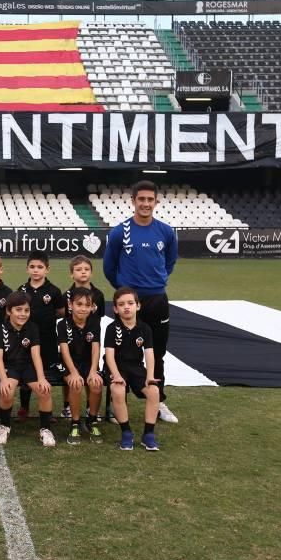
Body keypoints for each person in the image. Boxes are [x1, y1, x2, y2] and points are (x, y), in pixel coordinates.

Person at [102, 179, 179, 425]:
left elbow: (170, 261)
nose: (145, 203)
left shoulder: (166, 231)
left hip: (157, 299)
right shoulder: (119, 231)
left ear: (156, 202)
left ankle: (158, 401)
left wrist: (158, 281)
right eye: (141, 199)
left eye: (150, 199)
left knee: (157, 352)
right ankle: (116, 403)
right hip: (128, 302)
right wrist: (125, 293)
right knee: (122, 353)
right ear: (133, 201)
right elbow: (108, 267)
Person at [0, 291, 55, 447]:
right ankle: (5, 426)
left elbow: (36, 355)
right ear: (9, 311)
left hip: (27, 367)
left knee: (45, 390)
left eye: (26, 310)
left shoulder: (32, 328)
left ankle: (45, 429)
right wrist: (3, 379)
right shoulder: (0, 329)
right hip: (9, 367)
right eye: (18, 310)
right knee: (7, 390)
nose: (23, 314)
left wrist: (41, 378)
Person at [103, 287, 161, 451]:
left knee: (154, 391)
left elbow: (149, 354)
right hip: (116, 367)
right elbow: (109, 355)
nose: (126, 307)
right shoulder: (112, 328)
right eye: (121, 304)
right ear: (115, 308)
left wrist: (149, 376)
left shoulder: (145, 329)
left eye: (130, 303)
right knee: (119, 390)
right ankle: (126, 433)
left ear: (138, 306)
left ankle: (148, 435)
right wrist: (116, 375)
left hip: (136, 367)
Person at [17, 251, 66, 422]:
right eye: (32, 267)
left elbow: (61, 311)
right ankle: (24, 407)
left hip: (47, 341)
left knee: (45, 373)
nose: (36, 270)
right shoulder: (22, 290)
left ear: (47, 270)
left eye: (40, 267)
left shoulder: (53, 291)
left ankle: (47, 410)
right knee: (27, 372)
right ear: (27, 269)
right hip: (26, 340)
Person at [56, 287, 105, 445]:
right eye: (79, 304)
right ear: (71, 305)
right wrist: (73, 373)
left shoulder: (94, 322)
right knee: (76, 384)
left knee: (96, 384)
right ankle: (75, 423)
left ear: (92, 307)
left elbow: (96, 348)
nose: (83, 308)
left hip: (88, 363)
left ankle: (92, 420)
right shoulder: (63, 324)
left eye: (87, 305)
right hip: (68, 363)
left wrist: (93, 371)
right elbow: (64, 351)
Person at [62, 255, 106, 420]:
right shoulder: (67, 295)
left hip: (91, 340)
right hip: (72, 340)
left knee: (91, 373)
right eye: (79, 270)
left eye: (86, 269)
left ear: (92, 273)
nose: (83, 273)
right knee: (70, 372)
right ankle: (67, 405)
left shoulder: (98, 295)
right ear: (71, 274)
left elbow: (99, 317)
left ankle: (90, 406)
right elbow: (66, 318)